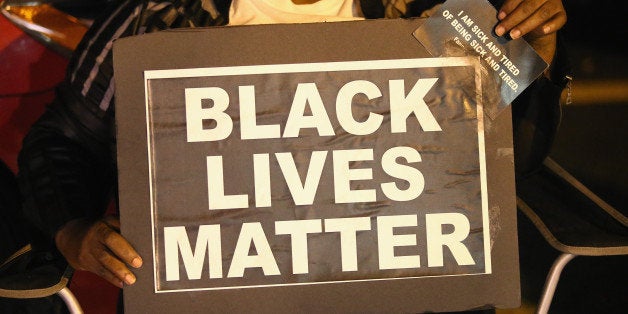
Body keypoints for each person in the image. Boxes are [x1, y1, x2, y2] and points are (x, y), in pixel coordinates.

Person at [18, 0, 569, 291]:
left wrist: (537, 52)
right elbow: (62, 142)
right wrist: (73, 231)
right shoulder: (155, 15)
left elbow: (507, 164)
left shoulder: (429, 13)